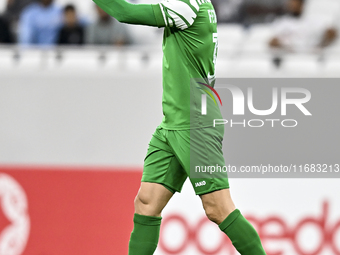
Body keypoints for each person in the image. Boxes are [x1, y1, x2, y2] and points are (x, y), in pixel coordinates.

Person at [92, 0, 266, 254]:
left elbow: (124, 12)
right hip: (173, 124)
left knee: (218, 208)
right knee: (146, 203)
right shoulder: (197, 5)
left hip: (195, 125)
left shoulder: (188, 5)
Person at [269, 0, 337, 52]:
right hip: (289, 60)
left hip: (311, 59)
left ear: (302, 4)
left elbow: (332, 32)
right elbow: (271, 42)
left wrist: (321, 46)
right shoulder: (281, 22)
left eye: (295, 3)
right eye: (291, 3)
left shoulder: (313, 20)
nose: (293, 6)